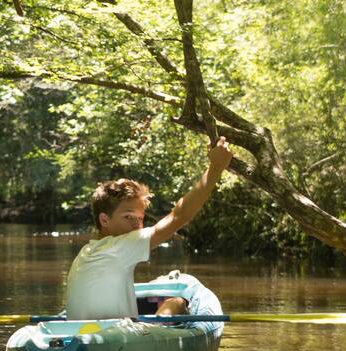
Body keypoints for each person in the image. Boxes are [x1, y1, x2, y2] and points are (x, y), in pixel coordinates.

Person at [65, 136, 233, 320]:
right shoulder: (118, 246)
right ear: (104, 220)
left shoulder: (87, 251)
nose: (137, 225)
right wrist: (216, 167)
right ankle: (157, 327)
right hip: (116, 338)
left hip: (91, 334)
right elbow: (179, 216)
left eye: (140, 218)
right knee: (176, 302)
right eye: (128, 217)